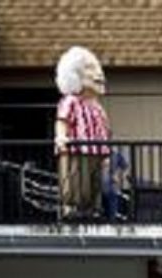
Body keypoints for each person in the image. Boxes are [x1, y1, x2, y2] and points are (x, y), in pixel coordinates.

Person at [54, 46, 111, 221]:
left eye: (98, 68)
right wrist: (61, 137)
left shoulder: (97, 107)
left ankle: (91, 209)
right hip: (77, 150)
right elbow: (62, 120)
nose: (98, 74)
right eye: (90, 69)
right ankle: (71, 209)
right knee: (77, 182)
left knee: (94, 184)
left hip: (97, 152)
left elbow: (104, 131)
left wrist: (107, 153)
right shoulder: (71, 101)